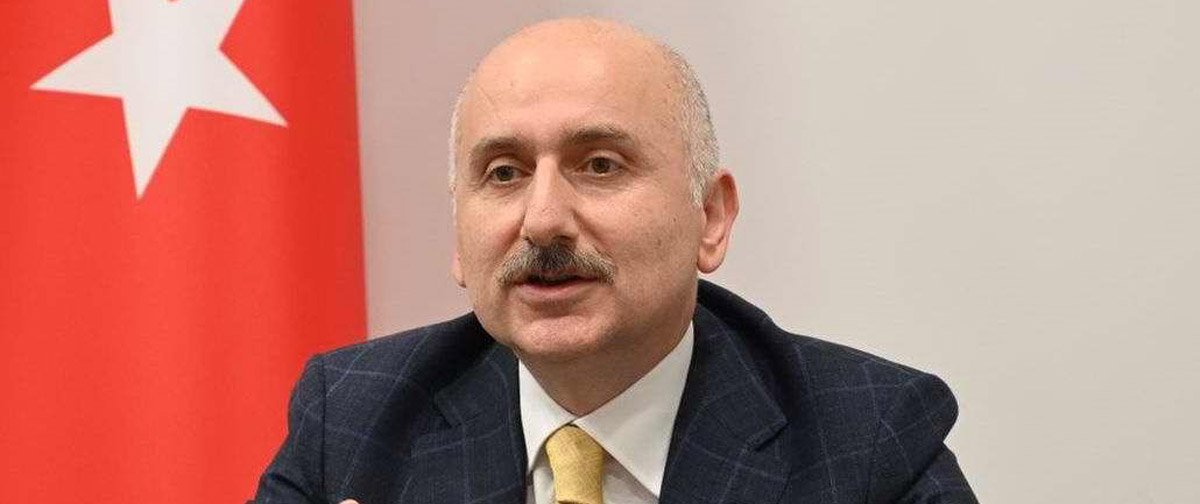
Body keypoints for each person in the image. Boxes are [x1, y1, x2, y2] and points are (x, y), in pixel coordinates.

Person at [254, 17, 977, 504]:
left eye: (599, 164)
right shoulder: (352, 421)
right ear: (458, 238)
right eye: (504, 173)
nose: (543, 220)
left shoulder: (866, 441)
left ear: (710, 218)